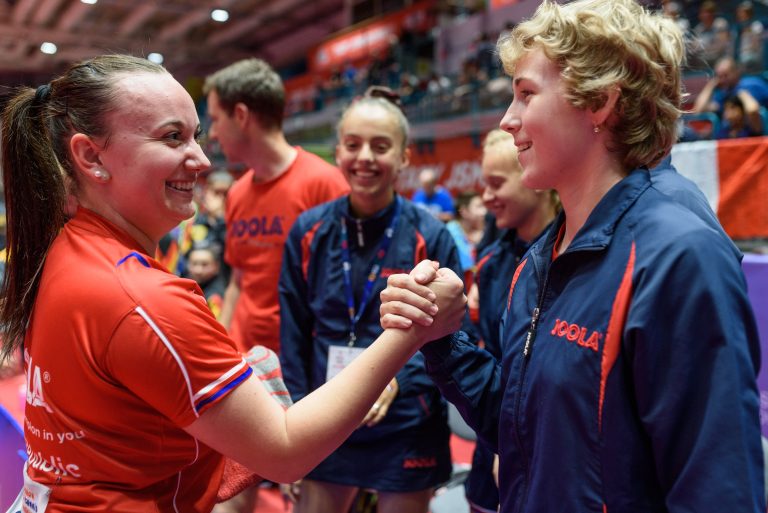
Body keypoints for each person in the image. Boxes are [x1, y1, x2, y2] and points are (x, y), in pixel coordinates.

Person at [0, 54, 467, 513]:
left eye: (198, 135)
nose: (202, 159)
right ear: (90, 156)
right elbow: (284, 451)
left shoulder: (62, 250)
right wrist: (414, 326)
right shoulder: (142, 299)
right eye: (172, 137)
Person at [380, 1, 766, 511]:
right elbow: (524, 431)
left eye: (525, 95)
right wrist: (443, 338)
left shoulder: (679, 258)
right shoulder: (543, 255)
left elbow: (718, 490)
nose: (506, 120)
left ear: (600, 104)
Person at [278, 87, 461, 513]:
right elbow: (294, 337)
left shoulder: (429, 236)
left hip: (405, 423)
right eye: (353, 144)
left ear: (403, 157)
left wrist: (395, 378)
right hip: (325, 420)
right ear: (337, 151)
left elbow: (448, 335)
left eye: (381, 147)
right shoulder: (308, 232)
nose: (365, 158)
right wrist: (293, 434)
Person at [203, 58, 349, 357]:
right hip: (247, 360)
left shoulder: (325, 184)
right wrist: (226, 349)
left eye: (216, 120)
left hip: (303, 361)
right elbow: (238, 282)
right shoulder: (237, 193)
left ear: (241, 115)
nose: (213, 134)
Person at [463, 128, 559, 513]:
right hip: (493, 453)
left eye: (495, 184)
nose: (485, 198)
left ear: (533, 177)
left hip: (554, 453)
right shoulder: (488, 266)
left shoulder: (572, 256)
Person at [692, 56, 768, 117]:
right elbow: (699, 110)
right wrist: (711, 85)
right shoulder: (723, 95)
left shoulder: (752, 84)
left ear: (736, 72)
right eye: (719, 76)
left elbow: (753, 110)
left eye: (726, 75)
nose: (722, 80)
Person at [444, 190, 487, 275]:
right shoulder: (451, 232)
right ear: (464, 211)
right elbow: (468, 268)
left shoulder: (482, 230)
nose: (484, 211)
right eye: (479, 206)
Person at [186, 239, 228, 320]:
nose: (198, 270)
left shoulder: (215, 298)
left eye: (205, 264)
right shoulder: (189, 285)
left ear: (216, 266)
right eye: (194, 264)